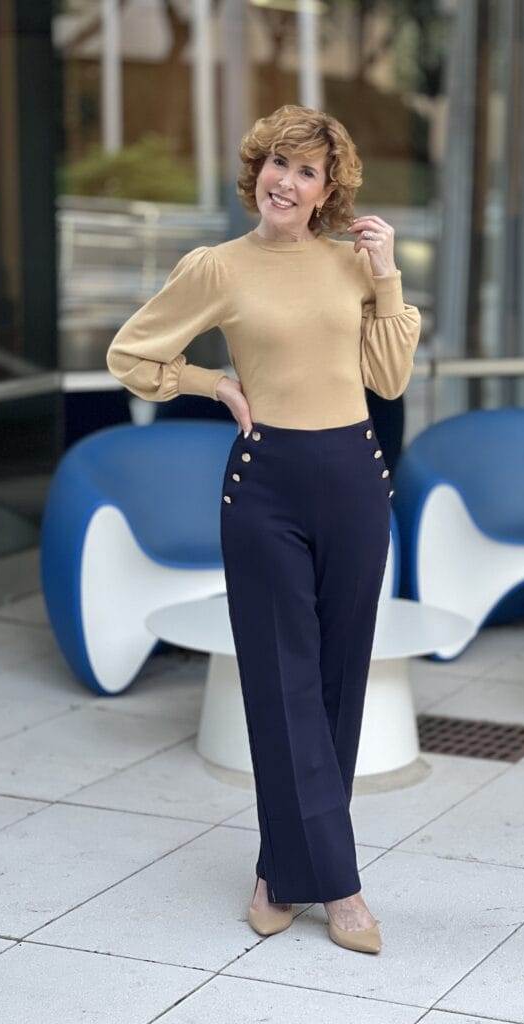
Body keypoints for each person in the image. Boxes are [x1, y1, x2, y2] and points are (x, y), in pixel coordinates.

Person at [106, 104, 421, 955]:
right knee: (281, 688)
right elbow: (130, 354)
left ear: (327, 191)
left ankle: (280, 871)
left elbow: (389, 379)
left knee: (336, 686)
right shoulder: (217, 267)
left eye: (307, 171)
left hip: (356, 481)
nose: (287, 181)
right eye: (276, 164)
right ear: (257, 172)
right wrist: (213, 386)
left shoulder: (354, 267)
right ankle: (342, 887)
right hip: (266, 488)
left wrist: (387, 275)